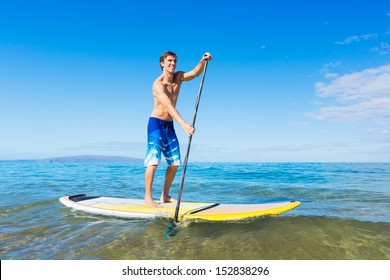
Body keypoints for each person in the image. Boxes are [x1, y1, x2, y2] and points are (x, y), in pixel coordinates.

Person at [144, 51, 212, 208]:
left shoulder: (178, 78)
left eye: (174, 61)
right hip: (156, 124)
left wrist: (203, 60)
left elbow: (194, 74)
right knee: (153, 161)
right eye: (169, 61)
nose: (172, 64)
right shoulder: (158, 85)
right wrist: (185, 125)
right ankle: (148, 198)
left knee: (174, 162)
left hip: (169, 125)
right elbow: (168, 105)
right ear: (162, 63)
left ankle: (165, 195)